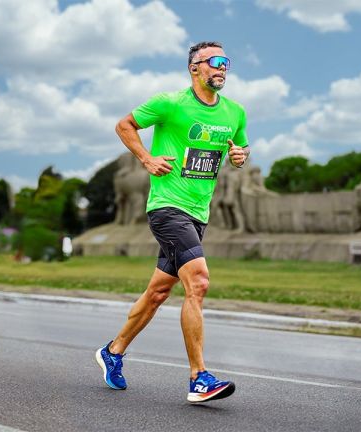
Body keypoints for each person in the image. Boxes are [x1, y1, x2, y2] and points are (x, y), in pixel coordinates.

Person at [95, 41, 249, 404]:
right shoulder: (170, 104)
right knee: (198, 281)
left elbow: (238, 150)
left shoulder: (235, 112)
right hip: (167, 208)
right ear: (194, 67)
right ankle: (199, 378)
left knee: (158, 293)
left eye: (226, 62)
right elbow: (125, 125)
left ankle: (112, 352)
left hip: (200, 214)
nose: (221, 68)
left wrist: (239, 156)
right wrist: (146, 159)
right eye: (214, 62)